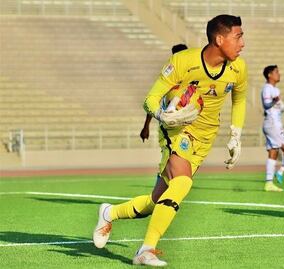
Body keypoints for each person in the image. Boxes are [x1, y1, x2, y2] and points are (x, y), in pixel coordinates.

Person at [93, 15, 248, 266]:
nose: (242, 43)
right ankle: (146, 249)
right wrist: (162, 115)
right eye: (238, 36)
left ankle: (108, 212)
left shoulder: (238, 68)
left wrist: (236, 134)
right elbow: (150, 99)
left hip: (206, 138)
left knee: (157, 201)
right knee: (182, 182)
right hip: (177, 132)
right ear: (220, 39)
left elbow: (239, 100)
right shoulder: (182, 62)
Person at [140, 44, 188, 142]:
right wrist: (146, 126)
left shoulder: (194, 74)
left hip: (190, 124)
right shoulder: (170, 76)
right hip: (171, 124)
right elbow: (154, 98)